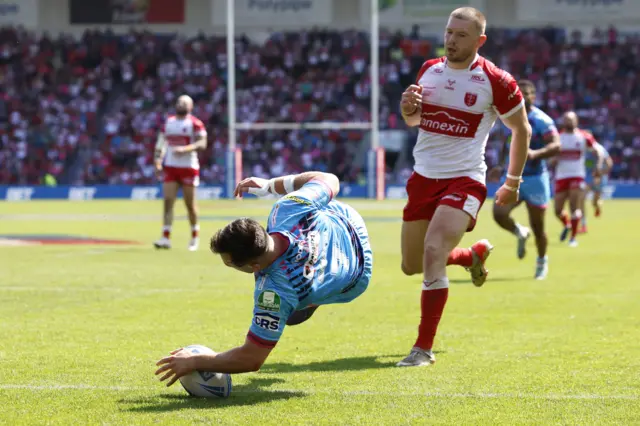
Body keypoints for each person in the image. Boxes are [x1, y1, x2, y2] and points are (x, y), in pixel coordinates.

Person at [397, 7, 531, 367]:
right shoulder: (429, 69)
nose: (451, 40)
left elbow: (522, 130)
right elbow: (415, 120)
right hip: (423, 178)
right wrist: (407, 108)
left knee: (433, 248)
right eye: (448, 32)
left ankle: (422, 348)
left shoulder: (496, 80)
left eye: (461, 35)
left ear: (479, 41)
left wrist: (513, 182)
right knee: (412, 265)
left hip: (465, 179)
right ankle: (470, 256)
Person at [154, 172, 373, 382]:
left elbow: (251, 358)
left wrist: (195, 361)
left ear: (253, 265)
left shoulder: (273, 292)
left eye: (230, 263)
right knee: (291, 310)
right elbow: (329, 179)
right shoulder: (286, 208)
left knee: (288, 312)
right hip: (348, 221)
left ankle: (308, 298)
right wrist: (270, 186)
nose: (228, 265)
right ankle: (308, 291)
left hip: (355, 277)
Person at [488, 80, 560, 280]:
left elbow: (556, 145)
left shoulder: (542, 120)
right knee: (498, 213)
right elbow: (506, 144)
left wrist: (535, 154)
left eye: (528, 93)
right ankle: (520, 232)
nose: (524, 96)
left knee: (538, 227)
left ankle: (541, 261)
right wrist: (501, 165)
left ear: (534, 97)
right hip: (512, 176)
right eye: (521, 93)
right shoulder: (508, 117)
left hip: (535, 178)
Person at [153, 95, 207, 251]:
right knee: (168, 202)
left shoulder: (195, 123)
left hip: (188, 167)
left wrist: (185, 149)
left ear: (191, 107)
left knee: (190, 205)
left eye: (184, 102)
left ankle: (194, 238)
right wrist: (157, 161)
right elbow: (161, 143)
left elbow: (203, 143)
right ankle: (165, 238)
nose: (181, 104)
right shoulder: (169, 122)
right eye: (179, 102)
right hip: (170, 166)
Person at [554, 112, 605, 247]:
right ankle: (568, 225)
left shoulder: (584, 136)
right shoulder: (557, 137)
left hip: (577, 176)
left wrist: (598, 166)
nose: (568, 122)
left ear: (576, 121)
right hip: (561, 176)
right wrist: (553, 159)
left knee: (574, 207)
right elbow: (551, 157)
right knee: (557, 210)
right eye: (566, 119)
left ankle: (573, 238)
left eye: (571, 120)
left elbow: (598, 152)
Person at [581, 139, 613, 233]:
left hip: (599, 179)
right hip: (587, 178)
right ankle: (583, 225)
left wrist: (601, 173)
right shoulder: (582, 147)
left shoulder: (599, 149)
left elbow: (609, 163)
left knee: (595, 202)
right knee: (581, 199)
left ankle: (598, 207)